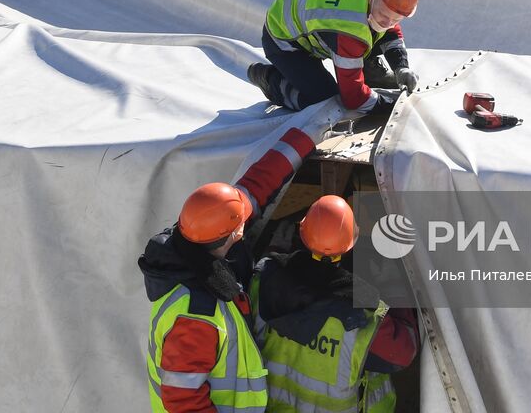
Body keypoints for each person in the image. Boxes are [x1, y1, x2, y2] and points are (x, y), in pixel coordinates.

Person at [140, 125, 318, 413]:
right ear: (235, 234)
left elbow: (255, 188)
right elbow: (182, 401)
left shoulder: (193, 235)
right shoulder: (197, 316)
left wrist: (308, 134)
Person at [253, 195, 420, 413]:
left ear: (302, 233)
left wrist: (276, 251)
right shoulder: (363, 314)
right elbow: (403, 351)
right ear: (354, 240)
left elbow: (271, 275)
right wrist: (394, 286)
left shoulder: (262, 280)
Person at [248, 0, 420, 114]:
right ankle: (271, 81)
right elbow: (354, 100)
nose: (388, 23)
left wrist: (401, 67)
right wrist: (392, 107)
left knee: (376, 28)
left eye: (396, 19)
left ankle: (367, 70)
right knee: (326, 103)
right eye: (384, 15)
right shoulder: (348, 26)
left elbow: (390, 31)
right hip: (284, 39)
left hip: (311, 17)